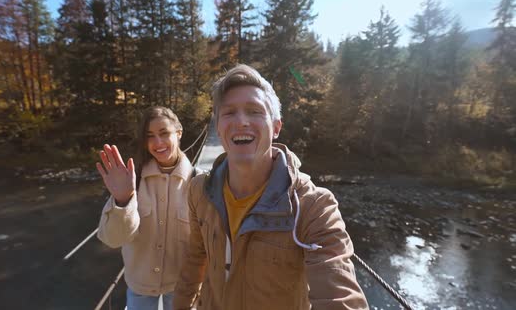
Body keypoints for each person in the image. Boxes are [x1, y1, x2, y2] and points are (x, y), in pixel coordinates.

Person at [173, 65, 369, 310]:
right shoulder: (199, 191)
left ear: (276, 127)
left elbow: (340, 297)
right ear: (218, 127)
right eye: (229, 112)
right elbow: (195, 258)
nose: (241, 121)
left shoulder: (313, 207)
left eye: (255, 111)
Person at [96, 106, 195, 310]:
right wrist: (123, 201)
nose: (157, 143)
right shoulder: (133, 181)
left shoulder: (199, 182)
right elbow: (113, 240)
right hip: (140, 286)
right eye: (150, 136)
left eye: (164, 133)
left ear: (179, 133)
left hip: (182, 285)